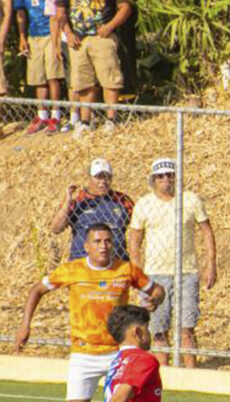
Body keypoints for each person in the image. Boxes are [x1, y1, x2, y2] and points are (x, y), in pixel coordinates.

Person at [13, 224, 184, 402]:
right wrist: (25, 325)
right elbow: (37, 289)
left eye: (107, 240)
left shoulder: (125, 269)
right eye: (97, 240)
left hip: (119, 353)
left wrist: (154, 301)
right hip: (84, 353)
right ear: (87, 245)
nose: (103, 245)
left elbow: (157, 291)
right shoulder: (72, 270)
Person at [127, 157, 217, 368]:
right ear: (153, 179)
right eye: (160, 176)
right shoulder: (144, 204)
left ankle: (190, 374)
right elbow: (134, 240)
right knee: (158, 330)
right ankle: (162, 374)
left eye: (170, 175)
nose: (166, 179)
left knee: (187, 328)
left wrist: (211, 264)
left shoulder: (191, 200)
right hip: (154, 275)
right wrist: (138, 273)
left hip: (186, 272)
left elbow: (206, 232)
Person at [54, 0, 131, 134]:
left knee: (110, 78)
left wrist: (110, 26)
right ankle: (85, 121)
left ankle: (111, 119)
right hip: (78, 40)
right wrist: (68, 33)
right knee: (83, 82)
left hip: (102, 37)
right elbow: (61, 14)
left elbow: (125, 7)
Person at [51, 157, 132, 262]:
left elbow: (139, 225)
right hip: (82, 263)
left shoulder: (122, 200)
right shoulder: (79, 201)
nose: (103, 182)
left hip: (116, 263)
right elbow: (55, 229)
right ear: (89, 178)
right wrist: (67, 201)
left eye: (106, 177)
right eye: (98, 177)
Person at [14, 0, 65, 133]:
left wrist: (57, 40)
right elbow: (21, 13)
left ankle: (55, 116)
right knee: (38, 78)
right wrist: (22, 36)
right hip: (33, 36)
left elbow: (57, 12)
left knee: (53, 76)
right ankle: (42, 116)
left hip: (51, 35)